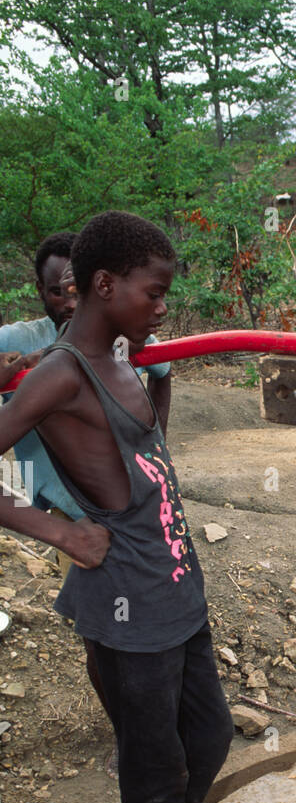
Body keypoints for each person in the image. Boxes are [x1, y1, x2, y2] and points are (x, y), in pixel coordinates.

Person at [0, 211, 239, 803]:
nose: (162, 307)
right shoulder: (61, 374)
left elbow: (143, 451)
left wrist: (156, 379)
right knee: (153, 747)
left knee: (209, 732)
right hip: (127, 591)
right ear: (104, 285)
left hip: (170, 580)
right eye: (153, 293)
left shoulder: (121, 358)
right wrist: (56, 530)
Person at [0, 232, 173, 775]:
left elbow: (163, 375)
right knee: (106, 633)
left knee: (145, 626)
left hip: (129, 509)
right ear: (41, 291)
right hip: (70, 512)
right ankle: (135, 743)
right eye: (58, 292)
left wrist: (157, 453)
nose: (69, 302)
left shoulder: (118, 343)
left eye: (77, 289)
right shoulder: (31, 349)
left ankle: (151, 742)